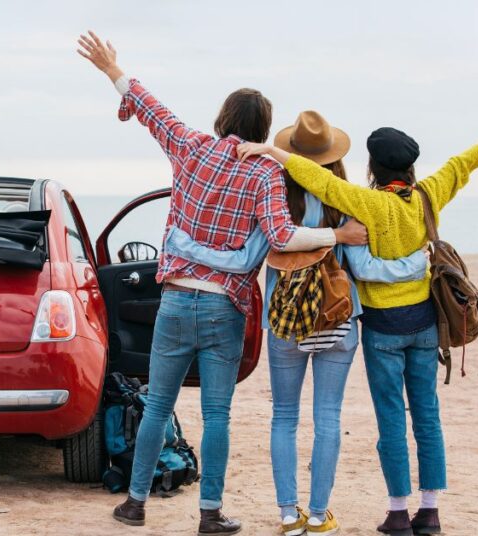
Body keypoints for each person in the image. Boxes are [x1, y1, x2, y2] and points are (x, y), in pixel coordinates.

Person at [76, 32, 370, 535]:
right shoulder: (263, 175)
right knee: (216, 416)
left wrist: (112, 69)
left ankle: (135, 504)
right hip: (223, 308)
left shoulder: (190, 147)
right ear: (263, 130)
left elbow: (150, 108)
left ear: (221, 119)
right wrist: (337, 233)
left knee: (157, 408)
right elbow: (281, 235)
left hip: (173, 303)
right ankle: (209, 513)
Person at [235, 119, 478, 535]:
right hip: (424, 326)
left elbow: (317, 180)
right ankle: (430, 512)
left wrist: (273, 152)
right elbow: (465, 162)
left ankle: (398, 512)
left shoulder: (366, 203)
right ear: (411, 168)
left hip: (383, 331)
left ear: (373, 169)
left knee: (391, 421)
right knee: (428, 416)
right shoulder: (428, 196)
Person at [162, 110, 429, 536]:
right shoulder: (347, 200)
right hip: (338, 320)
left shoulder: (273, 193)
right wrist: (419, 263)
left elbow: (252, 251)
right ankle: (319, 515)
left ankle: (289, 515)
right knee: (328, 417)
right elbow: (362, 264)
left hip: (285, 320)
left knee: (283, 417)